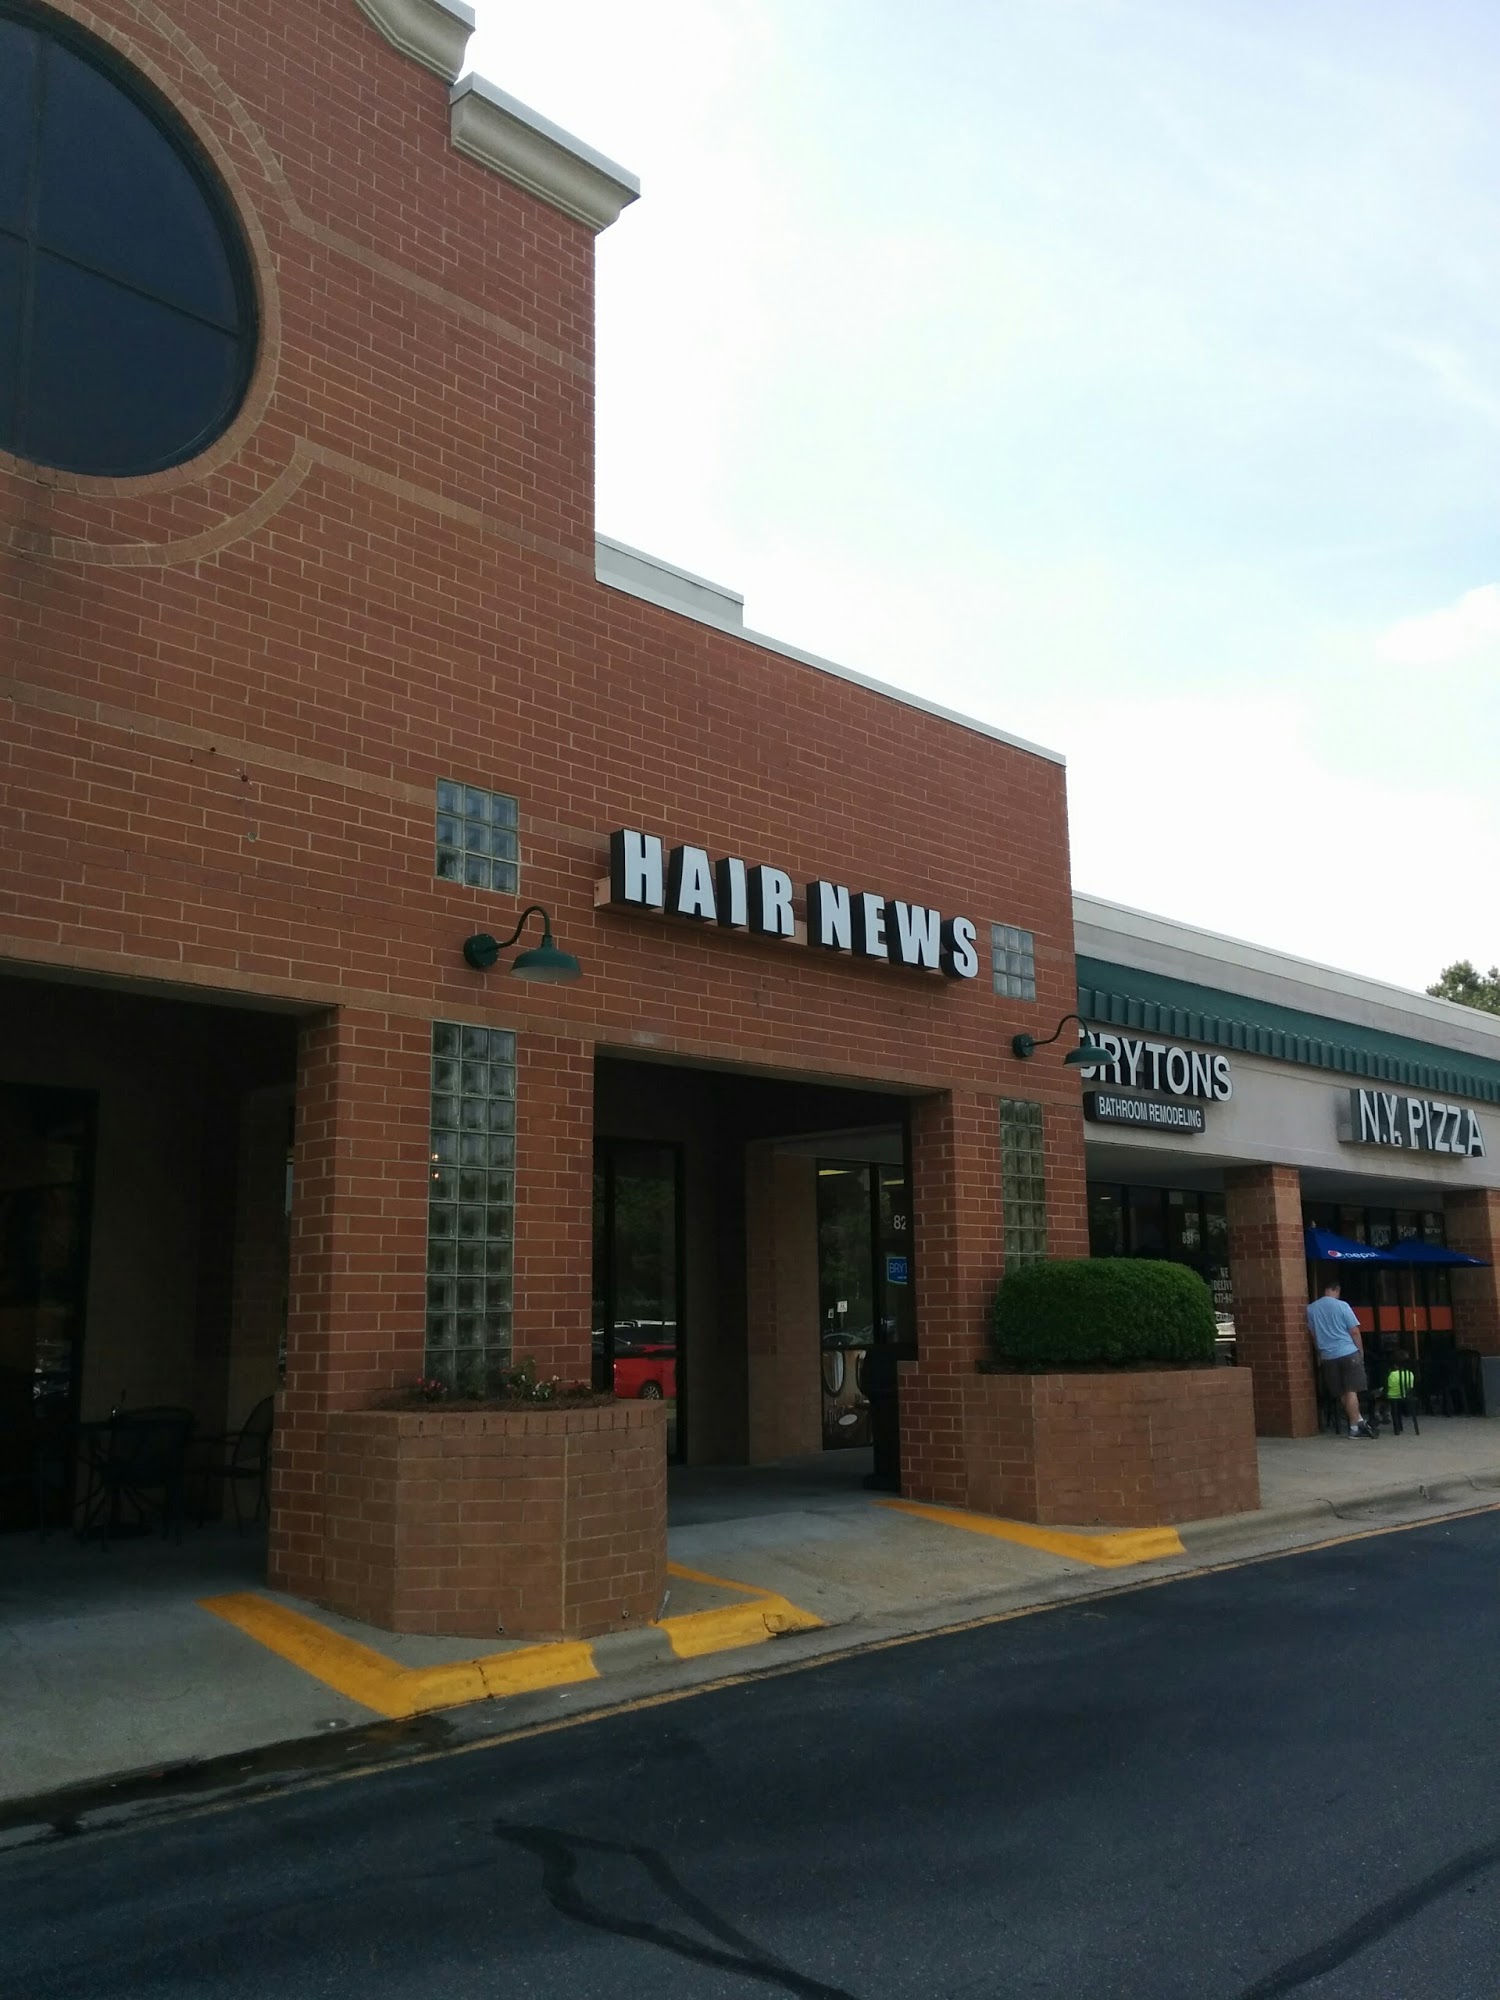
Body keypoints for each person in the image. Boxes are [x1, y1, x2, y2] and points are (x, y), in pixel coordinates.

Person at [1306, 1281, 1375, 1438]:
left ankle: (1357, 1422)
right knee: (1351, 1390)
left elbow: (1314, 1335)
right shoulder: (1342, 1306)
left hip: (1328, 1356)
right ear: (1336, 1290)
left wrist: (1320, 1352)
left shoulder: (1311, 1309)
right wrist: (1360, 1352)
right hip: (1347, 1352)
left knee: (1342, 1392)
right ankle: (1355, 1427)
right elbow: (1354, 1331)